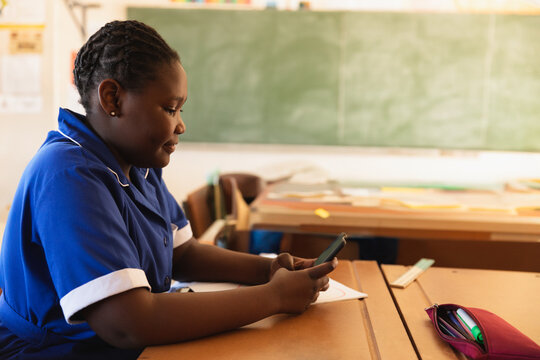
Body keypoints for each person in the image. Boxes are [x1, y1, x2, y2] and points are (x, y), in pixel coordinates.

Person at [0, 20, 336, 359]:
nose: (181, 124)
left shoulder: (137, 163)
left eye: (181, 109)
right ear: (112, 98)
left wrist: (269, 271)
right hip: (58, 351)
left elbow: (181, 253)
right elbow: (127, 322)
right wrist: (274, 297)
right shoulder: (70, 175)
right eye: (170, 108)